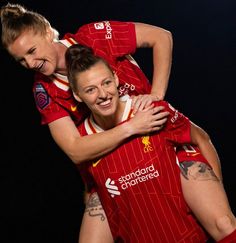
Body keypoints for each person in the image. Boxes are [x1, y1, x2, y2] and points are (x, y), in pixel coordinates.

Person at [0, 3, 225, 242]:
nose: (31, 62)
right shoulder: (43, 89)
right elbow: (75, 150)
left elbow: (161, 37)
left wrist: (156, 96)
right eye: (21, 60)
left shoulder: (92, 36)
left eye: (32, 50)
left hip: (156, 140)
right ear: (77, 93)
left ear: (47, 32)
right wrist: (130, 128)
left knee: (220, 222)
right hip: (112, 162)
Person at [65, 43, 236, 242]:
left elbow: (201, 138)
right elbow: (90, 187)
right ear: (78, 95)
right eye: (90, 89)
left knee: (225, 224)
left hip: (184, 232)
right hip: (140, 234)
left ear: (116, 79)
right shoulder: (82, 141)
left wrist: (216, 193)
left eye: (106, 83)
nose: (103, 94)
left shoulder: (150, 110)